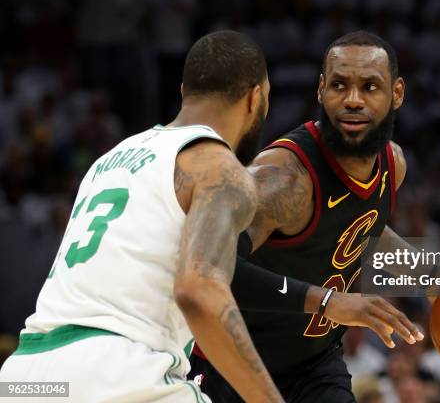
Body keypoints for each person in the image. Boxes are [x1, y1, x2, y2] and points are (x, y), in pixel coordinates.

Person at [0, 31, 284, 403]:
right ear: (255, 97)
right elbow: (198, 291)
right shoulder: (219, 168)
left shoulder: (108, 160)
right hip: (119, 373)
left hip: (26, 378)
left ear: (184, 92)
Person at [190, 31, 426, 402]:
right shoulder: (281, 180)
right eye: (339, 85)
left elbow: (363, 230)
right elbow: (209, 270)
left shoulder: (391, 164)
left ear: (396, 94)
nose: (352, 100)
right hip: (230, 364)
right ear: (320, 91)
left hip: (314, 365)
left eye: (369, 86)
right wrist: (328, 302)